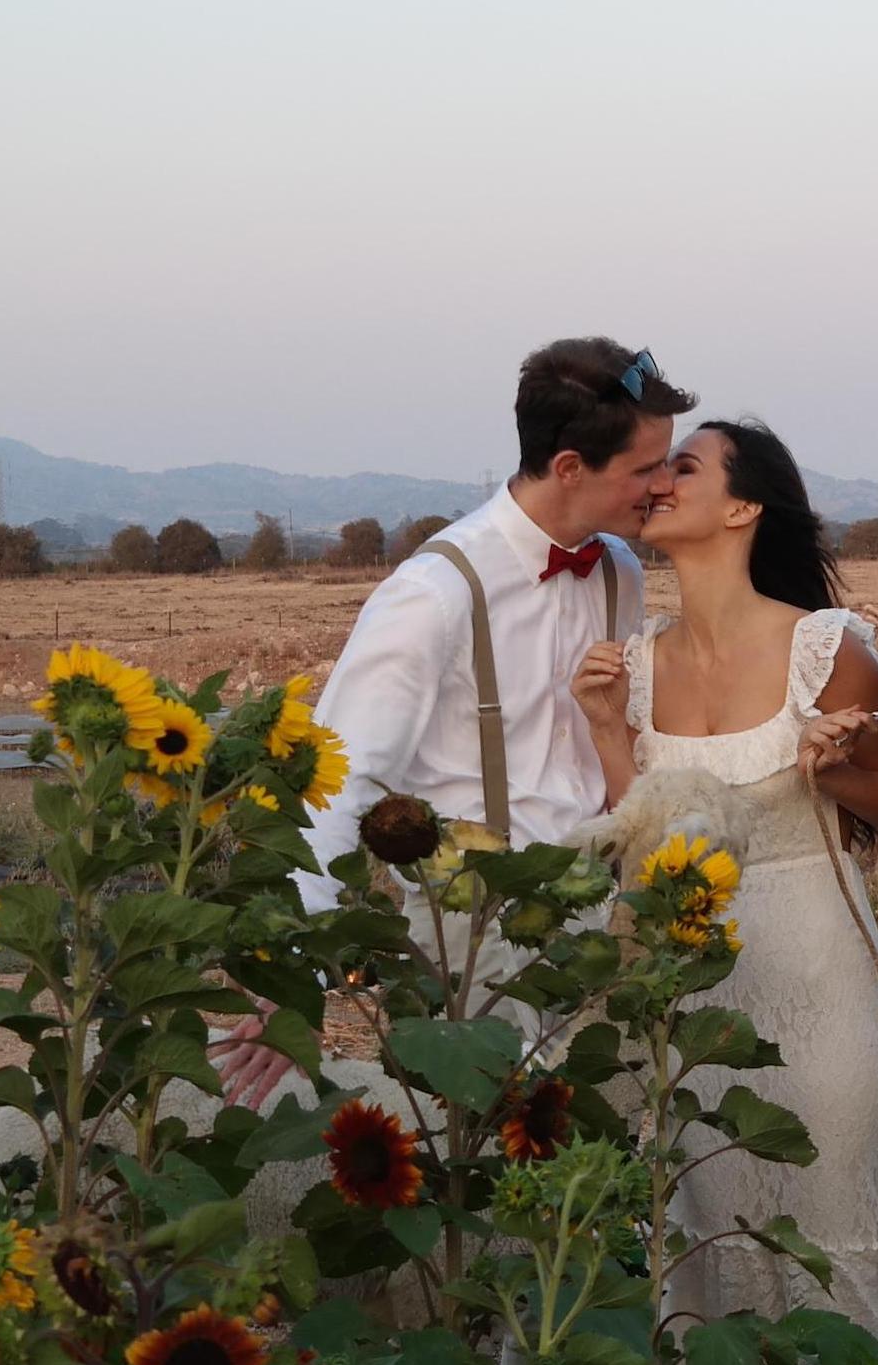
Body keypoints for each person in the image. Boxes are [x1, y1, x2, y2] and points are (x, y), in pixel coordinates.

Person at [214, 337, 696, 1108]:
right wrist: (291, 975)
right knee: (491, 1162)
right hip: (476, 935)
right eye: (645, 468)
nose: (664, 485)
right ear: (569, 466)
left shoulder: (620, 571)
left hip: (603, 915)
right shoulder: (435, 592)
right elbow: (337, 776)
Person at [570, 420, 878, 1340]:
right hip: (695, 987)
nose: (656, 480)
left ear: (741, 506)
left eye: (681, 467)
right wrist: (610, 732)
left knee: (836, 1212)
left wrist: (834, 769)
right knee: (709, 1223)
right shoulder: (635, 665)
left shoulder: (827, 648)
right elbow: (642, 848)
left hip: (820, 972)